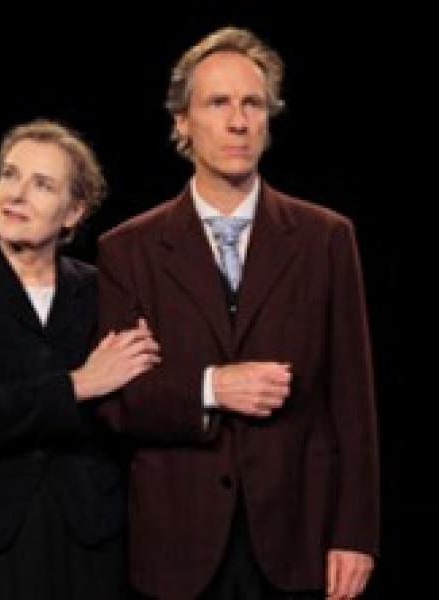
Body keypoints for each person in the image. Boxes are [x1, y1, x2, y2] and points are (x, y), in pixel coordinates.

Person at [96, 27, 379, 599]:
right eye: (218, 103)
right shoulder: (128, 249)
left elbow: (354, 400)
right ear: (182, 122)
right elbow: (120, 402)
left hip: (298, 535)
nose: (238, 121)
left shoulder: (326, 238)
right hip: (177, 543)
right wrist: (212, 388)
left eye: (253, 103)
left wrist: (355, 534)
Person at [0, 119, 160, 600]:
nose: (16, 194)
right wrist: (78, 385)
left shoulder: (102, 289)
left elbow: (134, 398)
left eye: (42, 184)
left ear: (74, 212)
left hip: (85, 530)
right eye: (9, 175)